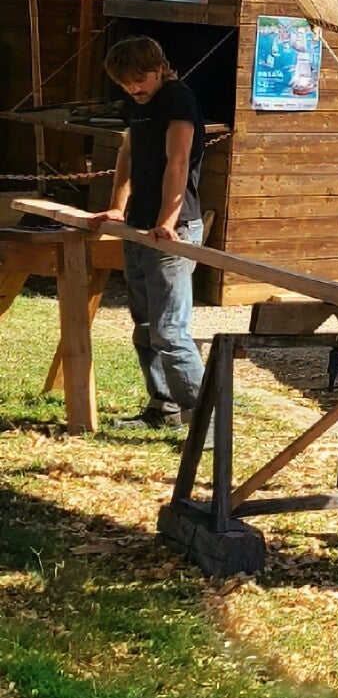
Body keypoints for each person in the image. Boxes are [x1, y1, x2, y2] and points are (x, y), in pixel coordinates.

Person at [99, 35, 207, 431]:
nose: (133, 89)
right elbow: (128, 153)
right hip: (138, 227)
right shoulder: (136, 103)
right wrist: (118, 206)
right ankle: (164, 410)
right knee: (145, 326)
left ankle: (205, 424)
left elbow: (177, 163)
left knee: (170, 331)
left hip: (172, 231)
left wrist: (166, 221)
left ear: (159, 68)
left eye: (140, 79)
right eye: (125, 83)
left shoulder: (178, 99)